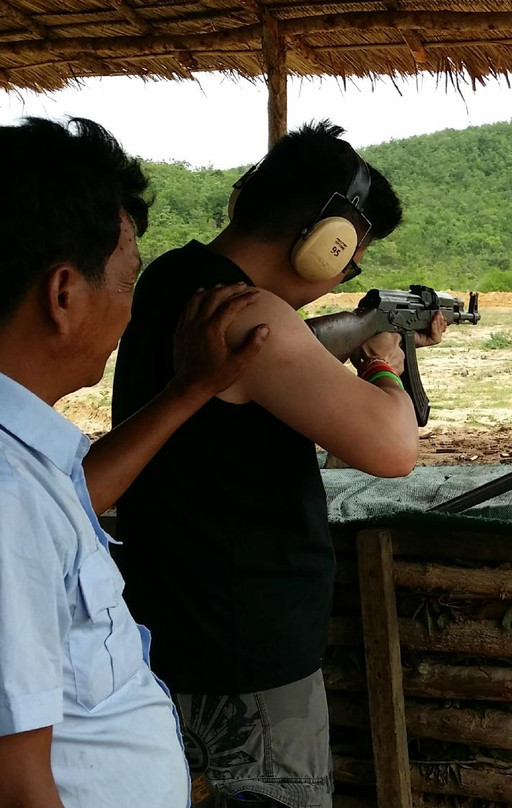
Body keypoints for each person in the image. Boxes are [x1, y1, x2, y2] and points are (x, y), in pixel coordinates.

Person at [112, 120, 443, 808]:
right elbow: (394, 449)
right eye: (349, 260)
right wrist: (383, 365)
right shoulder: (250, 315)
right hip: (248, 655)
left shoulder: (175, 276)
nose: (344, 275)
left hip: (173, 630)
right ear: (329, 246)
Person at [0, 117, 268, 808]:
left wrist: (189, 390)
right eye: (128, 281)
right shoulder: (7, 498)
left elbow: (71, 501)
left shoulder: (25, 465)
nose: (129, 312)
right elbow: (18, 783)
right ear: (64, 295)